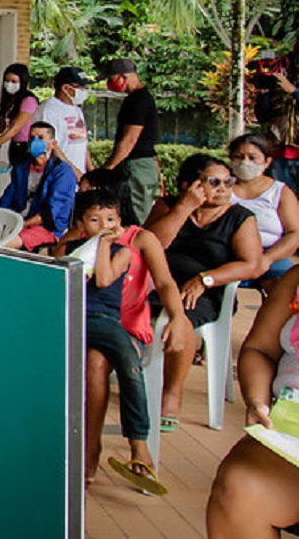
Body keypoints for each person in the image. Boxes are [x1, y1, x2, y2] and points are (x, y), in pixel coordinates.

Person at [52, 189, 190, 494]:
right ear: (81, 223)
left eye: (111, 219)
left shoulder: (127, 248)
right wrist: (89, 243)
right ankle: (83, 449)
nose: (104, 225)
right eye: (95, 220)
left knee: (129, 368)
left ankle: (137, 445)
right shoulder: (71, 247)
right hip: (75, 321)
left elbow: (105, 280)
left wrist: (178, 316)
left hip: (111, 324)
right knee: (89, 362)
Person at [145, 154, 264, 430]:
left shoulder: (239, 218)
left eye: (228, 182)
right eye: (213, 182)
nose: (223, 188)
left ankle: (172, 392)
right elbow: (150, 245)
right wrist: (184, 208)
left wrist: (205, 279)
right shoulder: (168, 206)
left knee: (181, 318)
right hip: (158, 284)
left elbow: (252, 265)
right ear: (189, 185)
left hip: (207, 292)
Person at [205, 264, 299, 537]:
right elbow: (260, 349)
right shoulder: (295, 280)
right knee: (239, 488)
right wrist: (258, 400)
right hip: (291, 428)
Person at [230, 132, 299, 296]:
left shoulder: (280, 192)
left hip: (270, 254)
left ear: (267, 161)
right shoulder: (221, 188)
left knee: (285, 293)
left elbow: (294, 233)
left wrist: (267, 258)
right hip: (226, 254)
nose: (245, 162)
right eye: (238, 157)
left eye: (252, 158)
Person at [0, 121, 77, 251]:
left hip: (46, 228)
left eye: (40, 138)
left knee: (3, 243)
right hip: (16, 221)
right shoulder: (21, 168)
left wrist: (21, 225)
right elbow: (6, 199)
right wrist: (1, 221)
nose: (34, 142)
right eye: (32, 138)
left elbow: (50, 212)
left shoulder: (63, 172)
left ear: (52, 144)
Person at [101, 58, 161, 223]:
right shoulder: (139, 98)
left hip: (136, 166)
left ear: (124, 77)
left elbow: (129, 140)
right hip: (140, 165)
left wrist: (107, 169)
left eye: (111, 79)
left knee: (135, 218)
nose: (109, 83)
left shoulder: (138, 100)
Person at [252, 46, 299, 195]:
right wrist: (264, 92)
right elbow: (262, 116)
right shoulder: (281, 74)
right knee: (280, 199)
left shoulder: (289, 86)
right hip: (280, 151)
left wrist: (294, 92)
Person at [35, 66, 93, 178]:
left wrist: (91, 172)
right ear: (65, 88)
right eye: (80, 87)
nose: (84, 91)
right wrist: (75, 173)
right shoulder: (48, 110)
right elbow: (51, 147)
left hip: (79, 178)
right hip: (59, 177)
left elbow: (82, 143)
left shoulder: (77, 110)